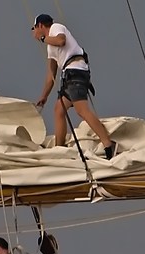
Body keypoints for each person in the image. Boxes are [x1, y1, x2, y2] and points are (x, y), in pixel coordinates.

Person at [33, 14, 115, 159]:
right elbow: (51, 75)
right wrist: (44, 96)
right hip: (69, 76)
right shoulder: (50, 48)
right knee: (59, 109)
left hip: (76, 72)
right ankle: (59, 149)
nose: (34, 32)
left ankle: (108, 144)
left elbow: (61, 40)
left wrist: (42, 38)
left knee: (82, 110)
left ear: (40, 25)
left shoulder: (56, 28)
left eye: (34, 28)